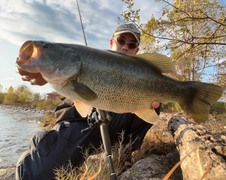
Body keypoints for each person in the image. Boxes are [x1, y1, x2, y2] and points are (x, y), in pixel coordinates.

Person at [16, 23, 160, 180]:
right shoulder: (84, 61)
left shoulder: (141, 75)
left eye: (131, 44)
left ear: (136, 51)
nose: (125, 47)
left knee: (156, 106)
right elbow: (69, 89)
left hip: (116, 126)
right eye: (121, 40)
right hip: (84, 122)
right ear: (112, 42)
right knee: (39, 171)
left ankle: (124, 152)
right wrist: (38, 70)